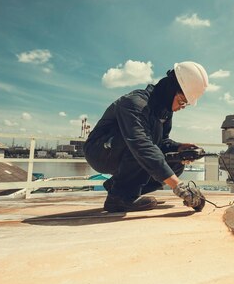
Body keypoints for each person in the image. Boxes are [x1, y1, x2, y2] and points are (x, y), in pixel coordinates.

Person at [84, 61, 208, 212]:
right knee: (143, 145)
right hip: (100, 151)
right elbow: (141, 144)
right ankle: (119, 198)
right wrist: (178, 186)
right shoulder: (135, 103)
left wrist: (180, 148)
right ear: (171, 88)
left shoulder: (165, 112)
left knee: (176, 162)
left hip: (125, 149)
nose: (181, 107)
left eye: (185, 104)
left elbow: (161, 142)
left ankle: (119, 188)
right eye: (182, 101)